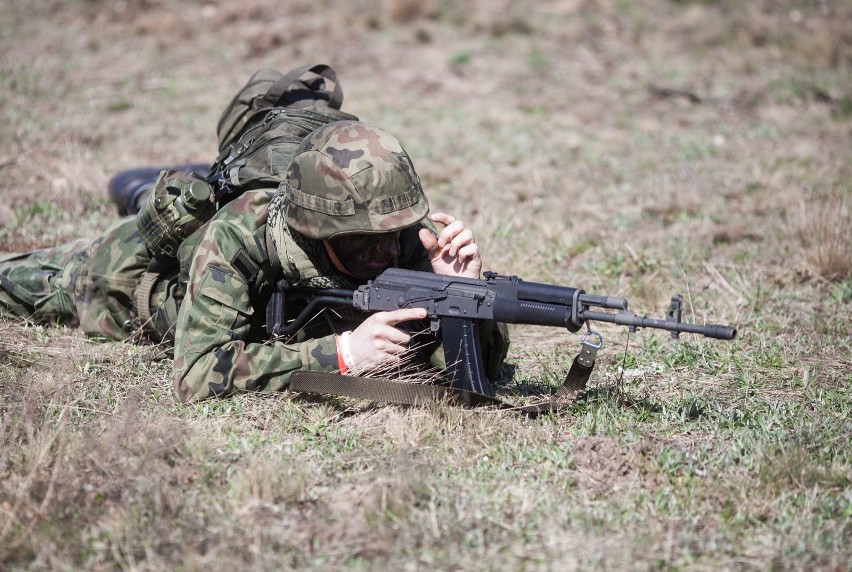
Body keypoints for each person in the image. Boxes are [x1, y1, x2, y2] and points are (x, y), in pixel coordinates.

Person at [0, 120, 508, 401]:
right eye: (363, 242)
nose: (386, 253)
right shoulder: (239, 237)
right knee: (26, 280)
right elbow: (195, 374)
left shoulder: (396, 232)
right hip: (126, 282)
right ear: (319, 231)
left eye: (394, 235)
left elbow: (472, 370)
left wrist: (464, 292)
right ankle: (147, 196)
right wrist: (341, 355)